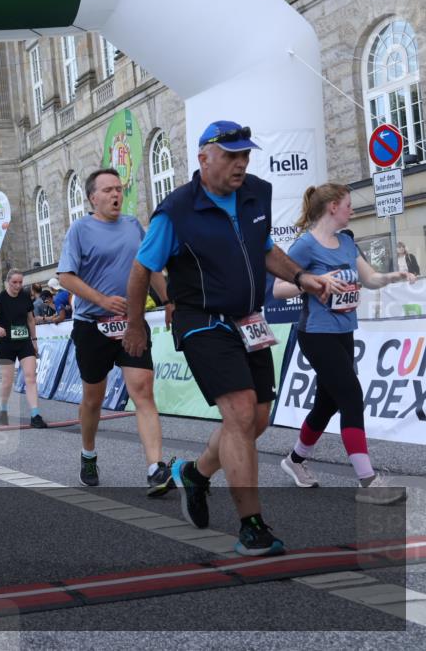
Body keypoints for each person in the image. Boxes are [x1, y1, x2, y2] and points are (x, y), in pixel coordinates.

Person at [124, 120, 332, 556]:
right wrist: (136, 323)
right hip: (200, 318)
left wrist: (301, 276)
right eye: (232, 156)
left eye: (245, 155)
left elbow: (263, 248)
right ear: (204, 158)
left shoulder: (255, 191)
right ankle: (251, 525)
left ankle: (196, 475)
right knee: (238, 413)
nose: (241, 164)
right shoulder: (176, 210)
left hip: (248, 318)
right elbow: (143, 267)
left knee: (256, 420)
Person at [273, 183, 415, 503]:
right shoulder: (305, 246)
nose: (353, 209)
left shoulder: (348, 242)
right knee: (351, 394)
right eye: (349, 204)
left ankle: (294, 461)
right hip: (315, 334)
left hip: (344, 332)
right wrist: (316, 282)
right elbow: (280, 289)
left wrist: (396, 276)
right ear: (333, 207)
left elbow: (370, 279)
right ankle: (368, 480)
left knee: (328, 402)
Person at [58, 167, 173, 497]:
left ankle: (155, 467)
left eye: (119, 189)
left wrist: (169, 300)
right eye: (107, 190)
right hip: (92, 325)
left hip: (132, 324)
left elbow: (149, 267)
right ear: (92, 198)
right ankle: (89, 454)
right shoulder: (79, 230)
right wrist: (102, 300)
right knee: (93, 399)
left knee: (142, 390)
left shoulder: (133, 226)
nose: (115, 195)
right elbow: (66, 277)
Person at [0, 268, 47, 428]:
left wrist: (34, 341)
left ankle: (35, 414)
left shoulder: (25, 296)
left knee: (30, 377)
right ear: (8, 282)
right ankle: (3, 408)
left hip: (24, 342)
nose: (18, 285)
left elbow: (30, 320)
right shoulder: (0, 299)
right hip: (6, 343)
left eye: (20, 282)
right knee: (8, 381)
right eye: (14, 282)